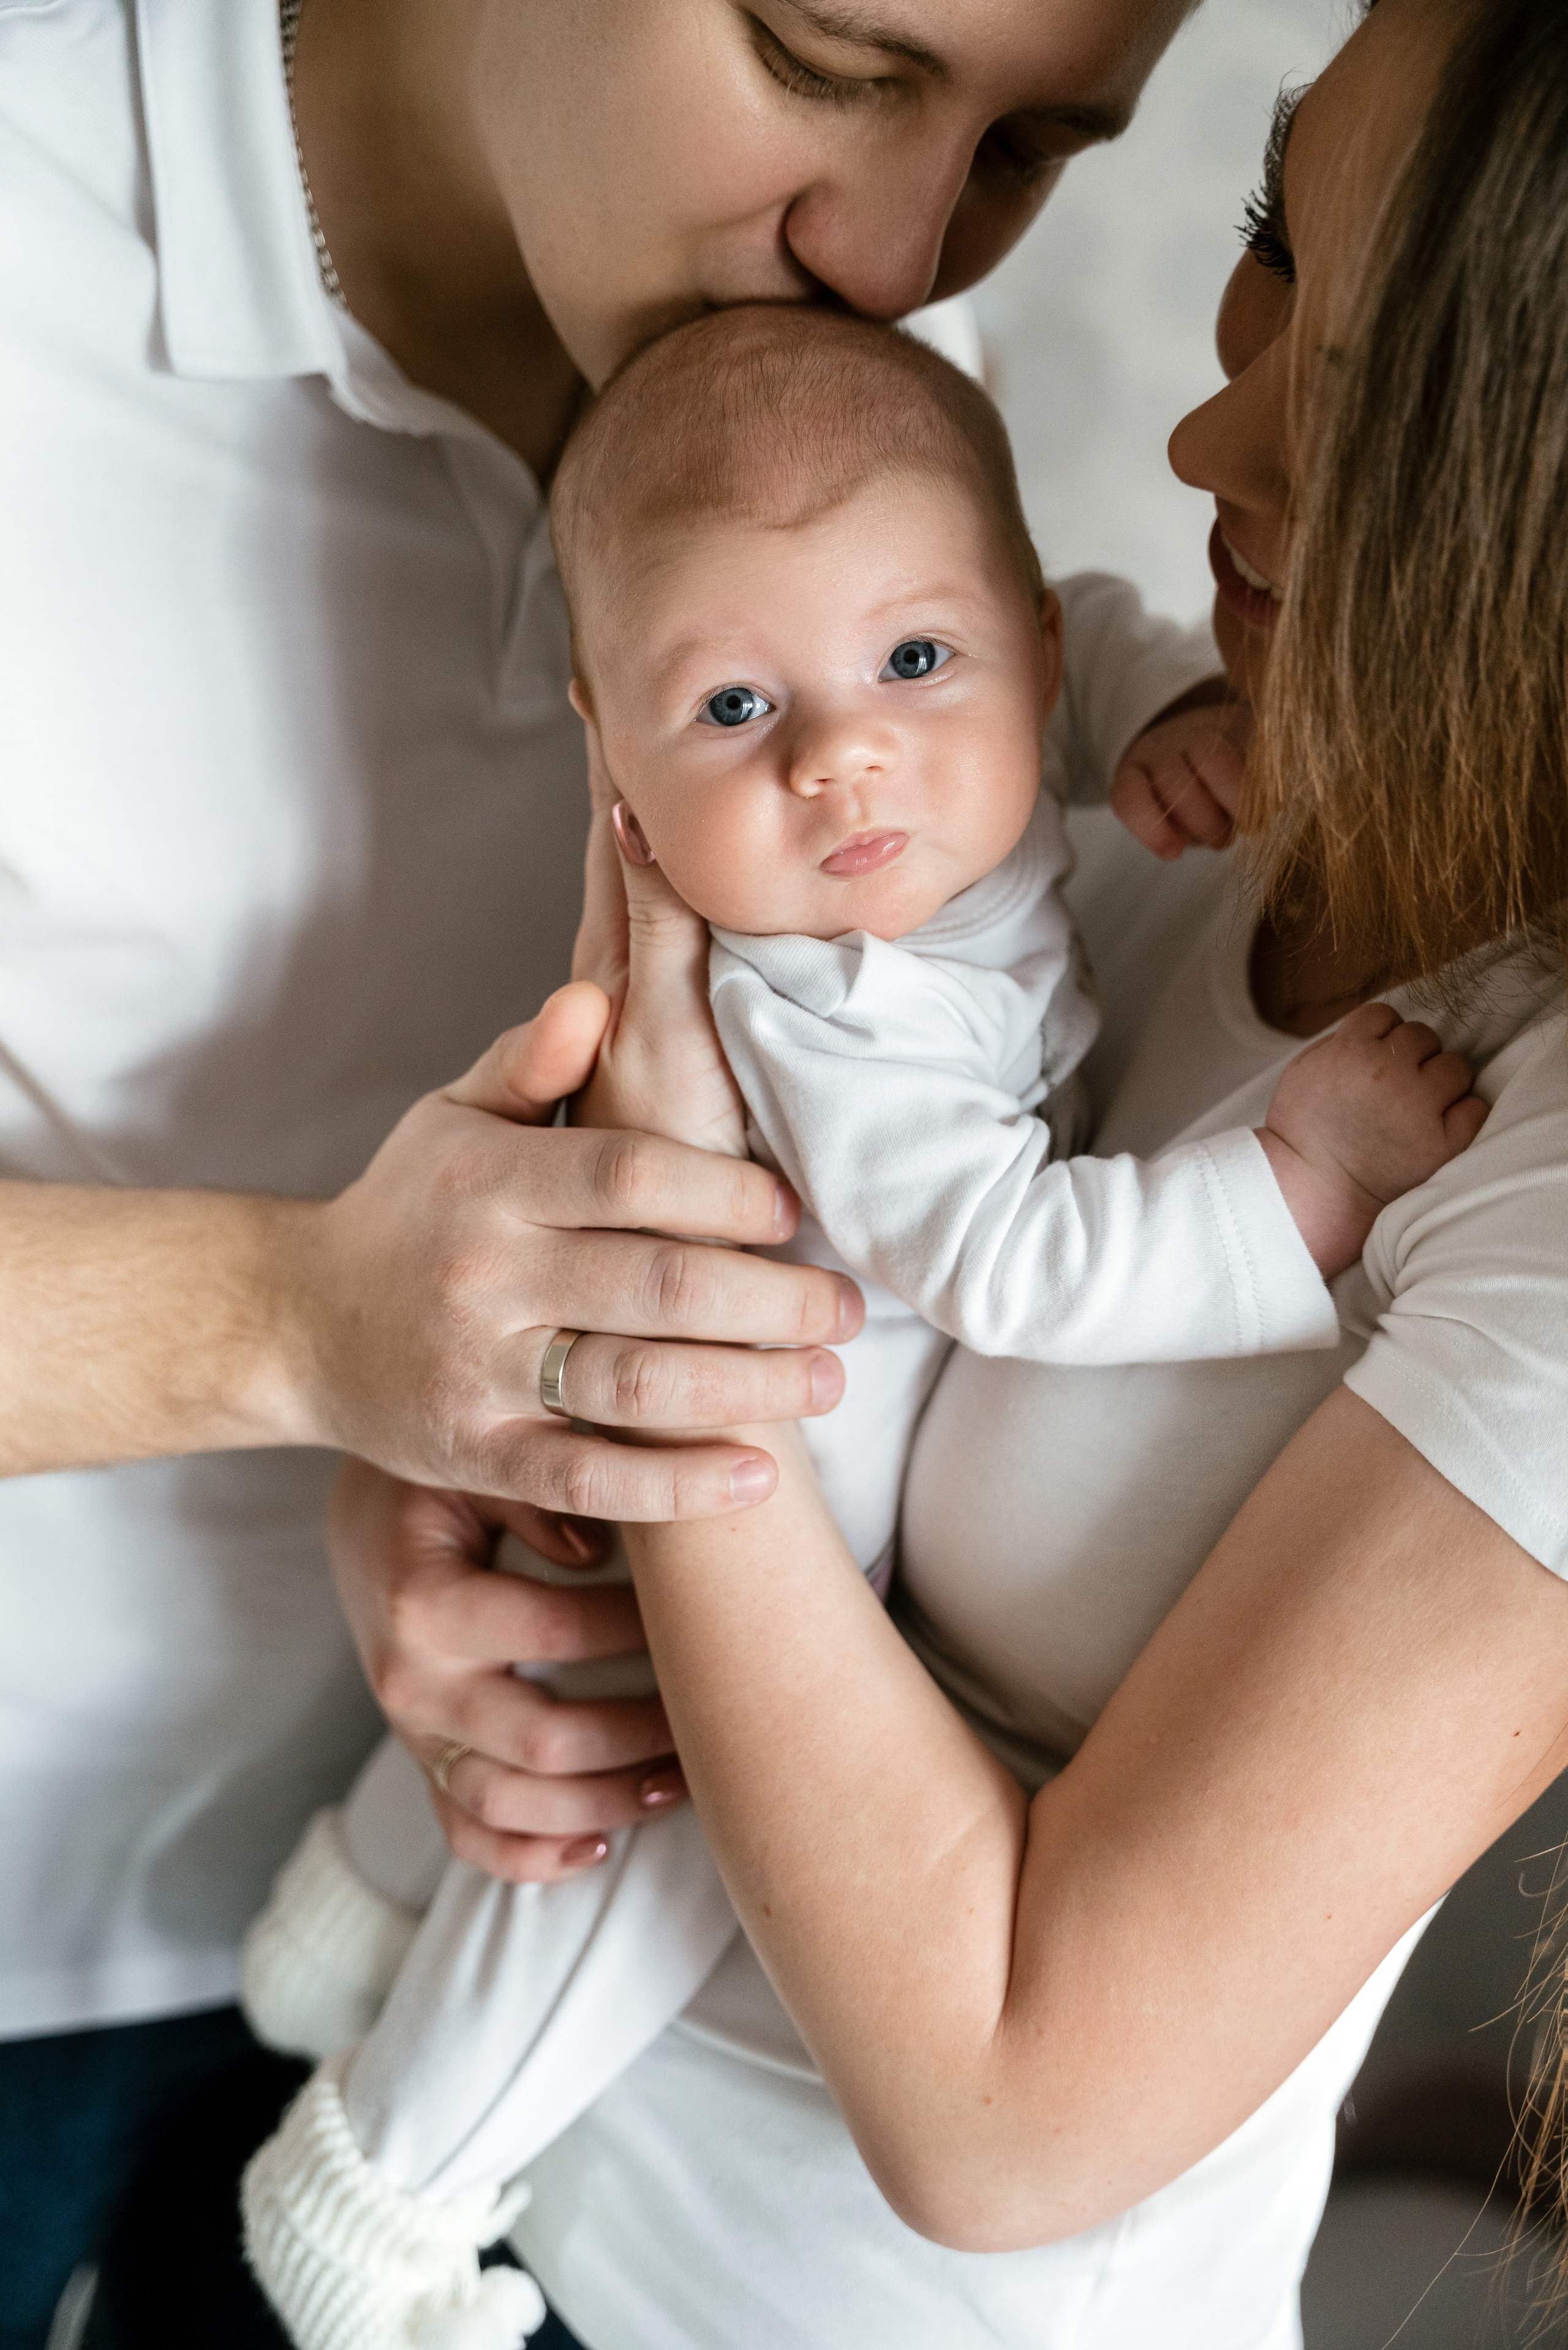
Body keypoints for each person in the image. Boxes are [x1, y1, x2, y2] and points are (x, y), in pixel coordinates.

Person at [309, 1, 1568, 2344]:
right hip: (543, 2192)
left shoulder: (1535, 1151)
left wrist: (658, 1286)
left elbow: (1005, 2121)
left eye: (1400, 382)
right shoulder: (1170, 770)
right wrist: (480, 1445)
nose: (1207, 427)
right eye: (1271, 237)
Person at [2, 0, 1214, 2341]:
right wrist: (297, 1329)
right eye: (829, 62)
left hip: (479, 1928)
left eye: (1032, 144)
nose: (895, 252)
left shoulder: (791, 344)